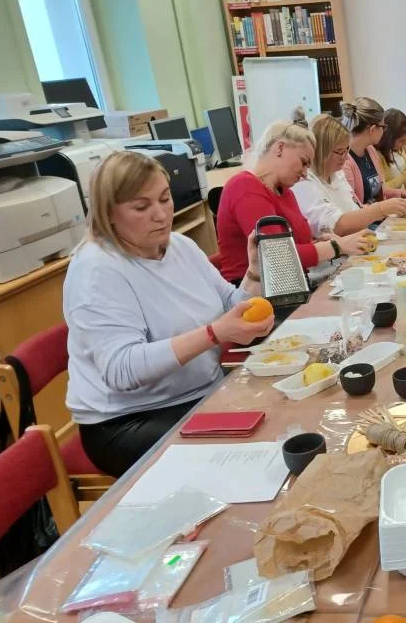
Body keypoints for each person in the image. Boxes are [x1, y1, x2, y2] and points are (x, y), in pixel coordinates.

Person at [64, 151, 276, 477]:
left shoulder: (180, 246)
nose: (161, 214)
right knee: (246, 461)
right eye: (141, 206)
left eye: (165, 199)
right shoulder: (97, 270)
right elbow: (121, 369)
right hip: (130, 421)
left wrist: (256, 275)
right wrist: (213, 334)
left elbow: (229, 304)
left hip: (201, 393)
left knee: (280, 416)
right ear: (108, 213)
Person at [216, 120, 373, 282]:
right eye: (303, 162)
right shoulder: (245, 187)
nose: (305, 174)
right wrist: (336, 246)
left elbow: (295, 246)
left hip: (293, 285)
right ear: (280, 148)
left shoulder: (286, 193)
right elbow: (279, 257)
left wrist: (319, 242)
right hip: (255, 294)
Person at [292, 112, 406, 238]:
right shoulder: (304, 182)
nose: (345, 157)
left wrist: (389, 209)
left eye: (347, 150)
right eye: (339, 152)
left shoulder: (336, 173)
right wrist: (380, 209)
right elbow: (336, 226)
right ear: (320, 151)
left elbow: (354, 209)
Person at [341, 97, 406, 204]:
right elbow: (352, 208)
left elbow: (381, 190)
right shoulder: (344, 162)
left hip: (380, 218)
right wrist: (383, 209)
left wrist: (403, 193)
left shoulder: (370, 151)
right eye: (383, 126)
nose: (384, 130)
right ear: (372, 129)